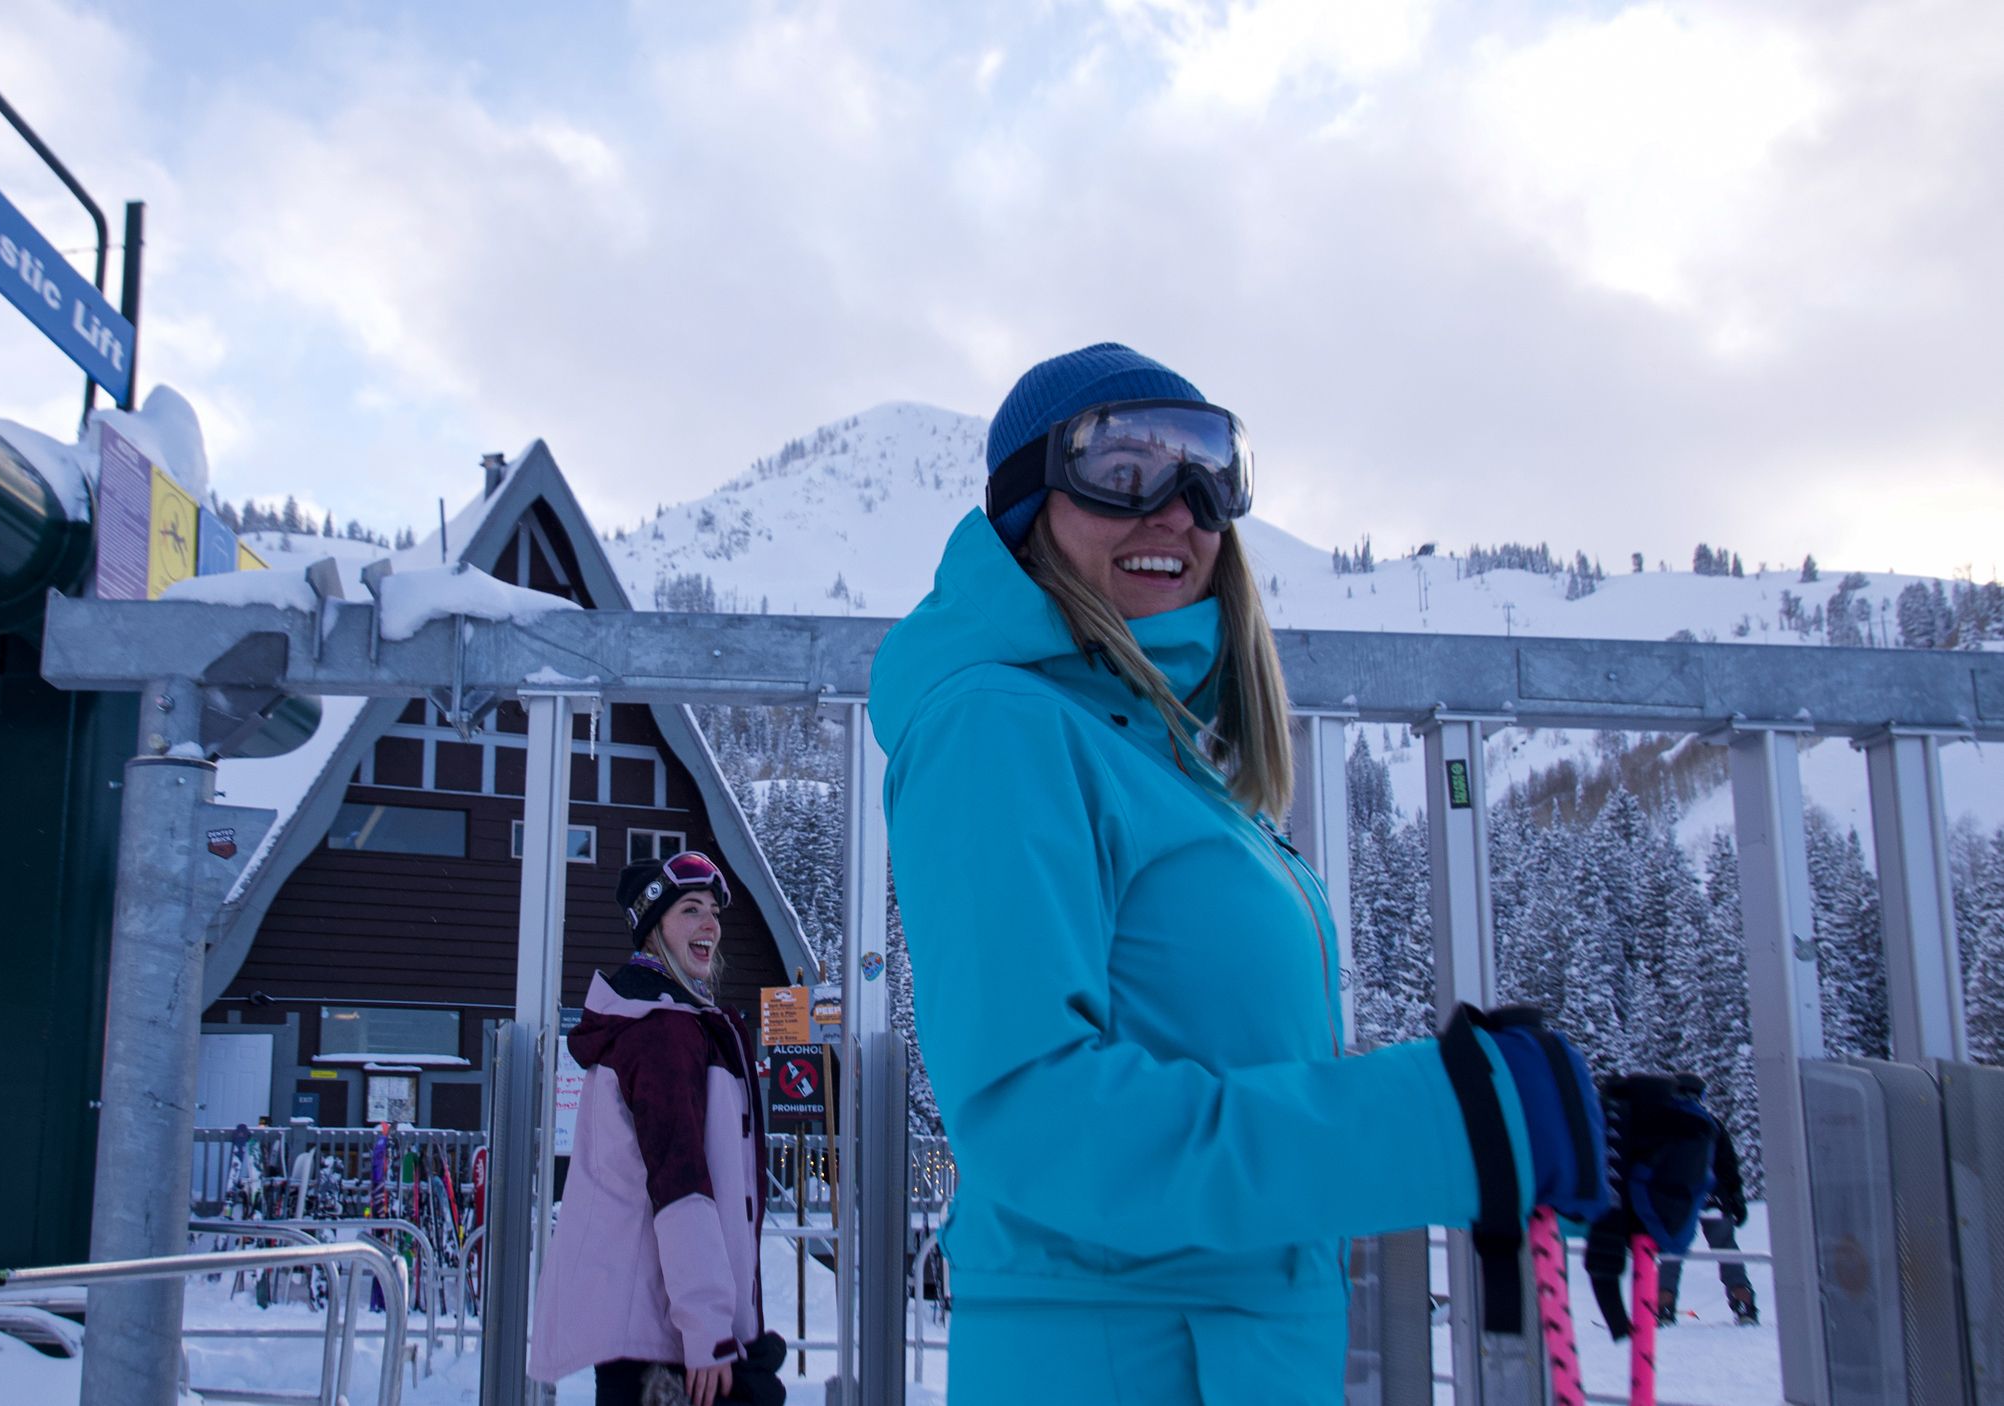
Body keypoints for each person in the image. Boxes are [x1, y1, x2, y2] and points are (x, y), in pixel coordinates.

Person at [870, 343, 1640, 1404]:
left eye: (1207, 475)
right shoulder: (998, 726)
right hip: (1117, 1361)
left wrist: (1577, 1129)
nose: (1175, 511)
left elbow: (1231, 1061)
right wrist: (1450, 1121)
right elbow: (1035, 1119)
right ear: (1028, 506)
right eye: (1122, 469)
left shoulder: (1162, 756)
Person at [528, 851, 787, 1406]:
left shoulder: (669, 1021)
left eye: (713, 910)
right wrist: (708, 1328)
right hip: (669, 1341)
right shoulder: (661, 1033)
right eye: (690, 909)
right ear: (652, 929)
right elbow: (680, 1185)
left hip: (658, 1330)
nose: (710, 923)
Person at [1656, 1073, 1760, 1326]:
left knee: (1672, 1250)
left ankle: (1662, 1306)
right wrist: (1736, 1200)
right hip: (1714, 1198)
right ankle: (1743, 1303)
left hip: (1678, 1201)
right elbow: (1728, 1167)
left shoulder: (1662, 1124)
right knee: (1726, 1248)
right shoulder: (1711, 1123)